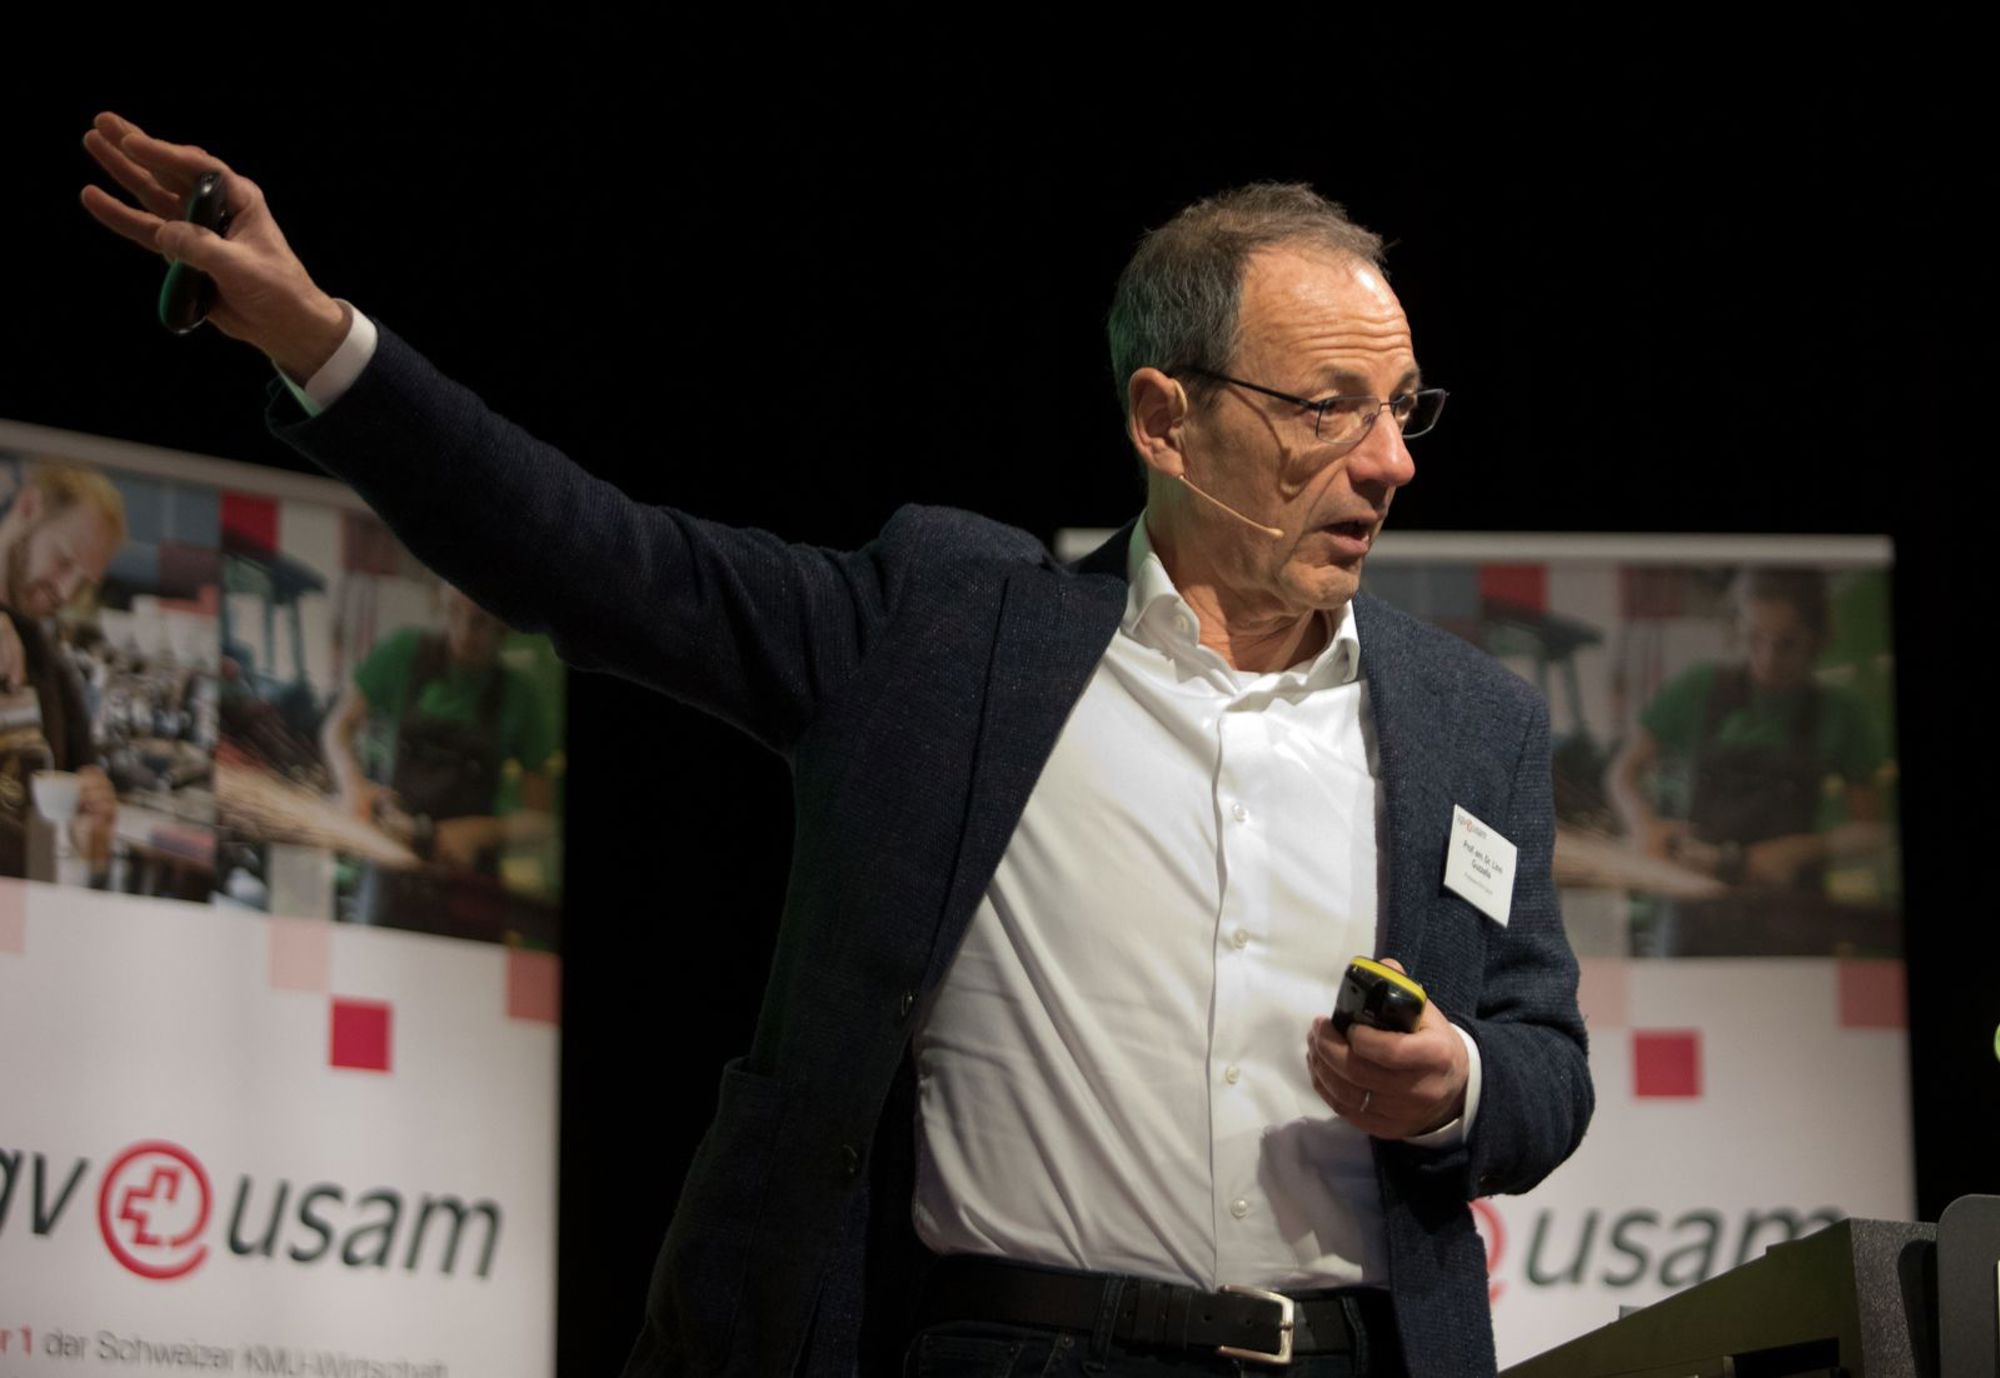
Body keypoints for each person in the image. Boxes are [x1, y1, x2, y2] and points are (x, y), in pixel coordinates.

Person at [82, 111, 1593, 1377]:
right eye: (1328, 408)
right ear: (1162, 419)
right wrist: (315, 337)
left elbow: (1546, 1064)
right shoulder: (944, 634)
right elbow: (597, 558)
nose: (1388, 462)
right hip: (1010, 1351)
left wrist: (1455, 1083)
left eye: (1402, 409)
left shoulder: (1473, 721)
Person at [1607, 567, 1892, 954]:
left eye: (1788, 644)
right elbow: (1622, 774)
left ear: (1818, 638)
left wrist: (1799, 850)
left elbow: (1872, 832)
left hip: (1793, 914)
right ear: (1738, 628)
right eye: (1754, 638)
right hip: (1695, 910)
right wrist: (1644, 825)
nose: (1768, 659)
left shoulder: (1842, 715)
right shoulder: (1698, 688)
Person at [320, 583, 557, 934]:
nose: (461, 632)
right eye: (452, 612)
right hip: (391, 871)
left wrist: (480, 833)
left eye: (478, 622)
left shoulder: (521, 699)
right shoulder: (402, 653)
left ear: (504, 626)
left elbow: (542, 823)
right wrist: (352, 784)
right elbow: (337, 728)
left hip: (470, 890)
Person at [0, 461, 126, 877]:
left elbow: (76, 847)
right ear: (29, 506)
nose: (67, 593)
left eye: (84, 581)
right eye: (64, 560)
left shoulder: (56, 673)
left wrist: (88, 839)